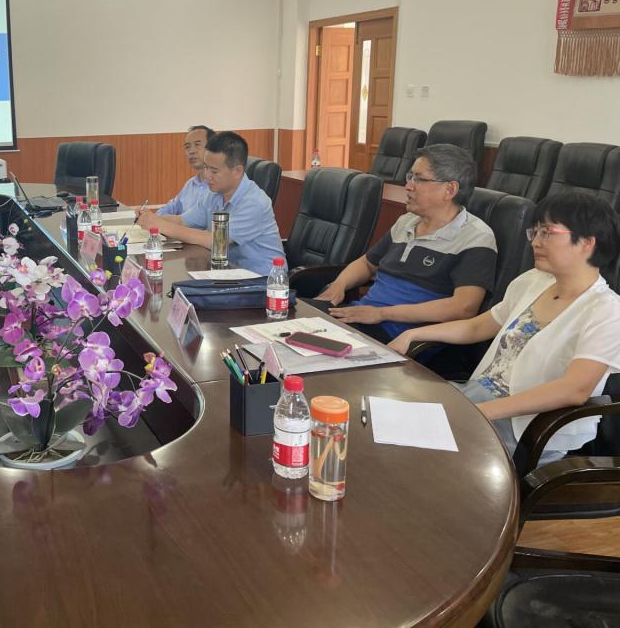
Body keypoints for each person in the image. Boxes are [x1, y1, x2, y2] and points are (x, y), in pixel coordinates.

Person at [389, 192, 620, 461]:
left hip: (525, 427)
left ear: (587, 243)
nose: (535, 241)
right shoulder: (534, 280)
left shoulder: (607, 311)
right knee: (388, 416)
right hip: (476, 399)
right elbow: (477, 328)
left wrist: (481, 412)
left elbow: (574, 389)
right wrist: (413, 333)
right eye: (534, 232)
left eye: (547, 233)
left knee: (411, 456)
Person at [319, 144, 497, 342]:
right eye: (410, 176)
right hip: (362, 319)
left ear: (450, 189)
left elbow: (463, 307)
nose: (408, 186)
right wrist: (339, 285)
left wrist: (382, 314)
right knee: (297, 323)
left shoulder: (476, 237)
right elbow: (368, 263)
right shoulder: (407, 222)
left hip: (399, 336)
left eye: (419, 179)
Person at [136, 130, 283, 276]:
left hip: (262, 281)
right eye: (206, 167)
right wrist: (150, 218)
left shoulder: (254, 202)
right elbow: (182, 221)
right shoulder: (214, 193)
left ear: (237, 171)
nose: (207, 175)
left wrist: (160, 225)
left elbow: (215, 241)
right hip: (225, 272)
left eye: (214, 171)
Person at [157, 125, 215, 217]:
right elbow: (170, 208)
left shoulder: (219, 185)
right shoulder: (189, 185)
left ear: (212, 148)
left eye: (197, 145)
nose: (191, 151)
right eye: (187, 147)